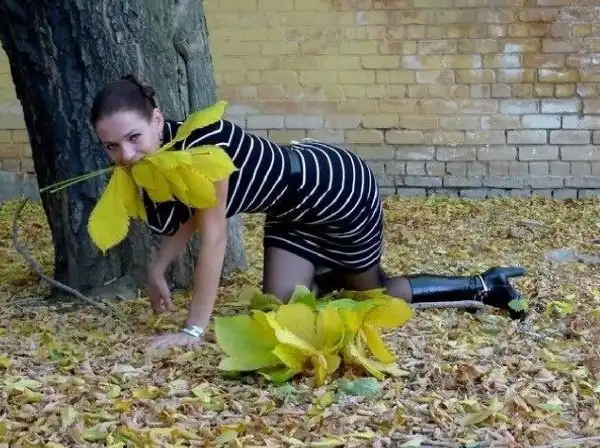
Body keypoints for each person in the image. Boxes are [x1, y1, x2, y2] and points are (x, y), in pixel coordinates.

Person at [90, 75, 528, 349]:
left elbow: (215, 237)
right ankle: (330, 274)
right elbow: (197, 212)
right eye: (112, 146)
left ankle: (484, 285)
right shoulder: (165, 157)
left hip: (337, 190)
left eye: (133, 137)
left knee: (372, 294)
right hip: (289, 212)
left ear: (157, 120)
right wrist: (158, 267)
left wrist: (192, 331)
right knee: (281, 309)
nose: (125, 156)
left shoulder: (203, 145)